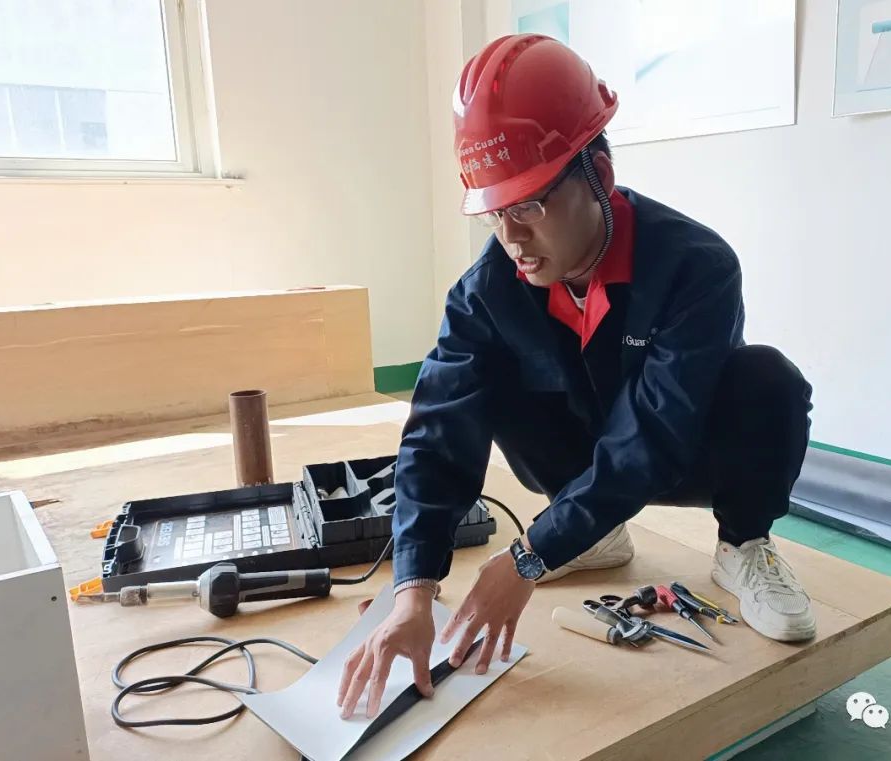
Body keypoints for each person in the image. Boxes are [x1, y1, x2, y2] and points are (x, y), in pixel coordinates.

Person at [337, 34, 815, 719]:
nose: (511, 236)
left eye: (529, 204)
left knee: (769, 380)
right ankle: (591, 531)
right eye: (494, 210)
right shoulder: (485, 294)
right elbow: (437, 435)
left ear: (600, 174)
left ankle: (743, 545)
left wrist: (529, 556)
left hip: (682, 457)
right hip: (578, 463)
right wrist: (412, 587)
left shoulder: (696, 266)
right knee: (475, 383)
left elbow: (654, 436)